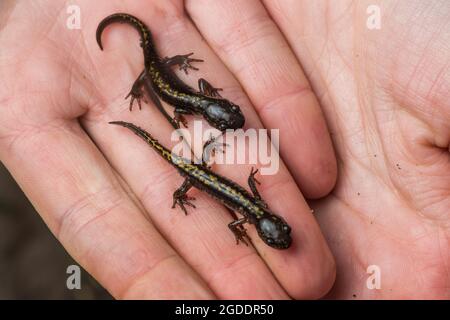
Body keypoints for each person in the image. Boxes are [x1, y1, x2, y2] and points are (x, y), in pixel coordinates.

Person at [0, 0, 448, 299]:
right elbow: (247, 191)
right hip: (187, 153)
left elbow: (249, 189)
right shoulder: (248, 211)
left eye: (276, 235)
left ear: (268, 224)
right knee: (158, 101)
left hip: (194, 167)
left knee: (175, 159)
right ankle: (152, 138)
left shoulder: (249, 208)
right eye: (279, 233)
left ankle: (159, 153)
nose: (281, 236)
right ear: (269, 222)